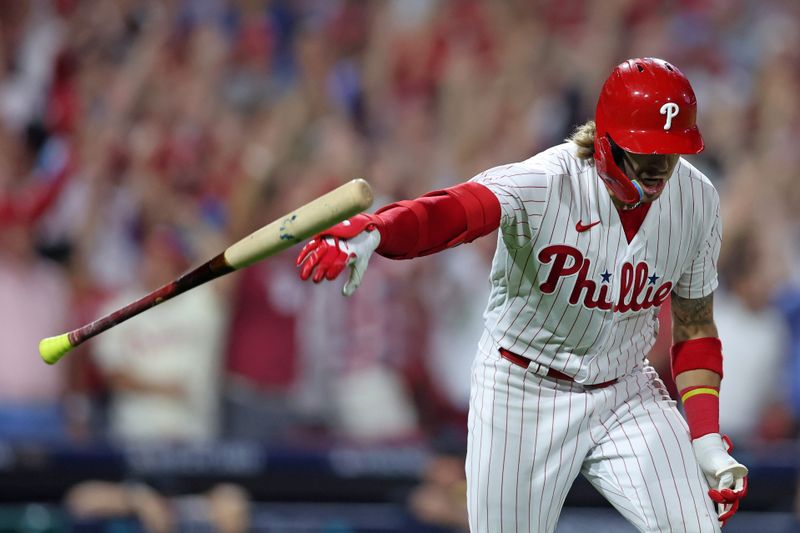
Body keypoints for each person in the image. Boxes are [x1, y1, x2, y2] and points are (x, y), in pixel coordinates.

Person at [296, 58, 748, 532]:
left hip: (624, 391)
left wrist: (705, 440)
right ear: (608, 140)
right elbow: (452, 212)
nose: (661, 167)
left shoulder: (697, 200)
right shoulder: (546, 182)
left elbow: (695, 324)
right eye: (648, 151)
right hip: (522, 388)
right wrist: (377, 229)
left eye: (671, 152)